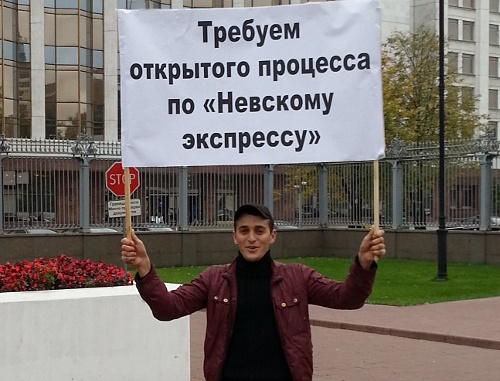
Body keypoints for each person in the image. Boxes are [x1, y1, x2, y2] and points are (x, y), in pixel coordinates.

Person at [121, 203, 385, 381]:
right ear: (234, 236)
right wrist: (144, 266)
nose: (252, 238)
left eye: (260, 231)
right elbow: (168, 307)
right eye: (244, 231)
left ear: (272, 236)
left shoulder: (298, 277)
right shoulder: (214, 279)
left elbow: (347, 298)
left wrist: (363, 263)